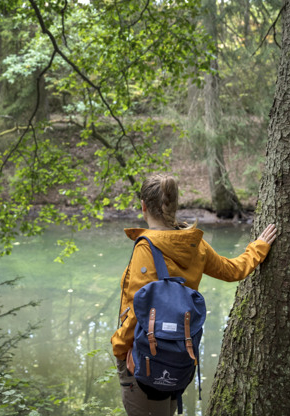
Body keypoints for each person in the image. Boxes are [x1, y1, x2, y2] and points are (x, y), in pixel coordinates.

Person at [111, 174, 278, 416]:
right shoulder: (194, 243)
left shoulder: (145, 248)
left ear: (143, 206)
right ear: (174, 204)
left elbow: (137, 310)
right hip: (180, 351)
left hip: (143, 353)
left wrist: (119, 348)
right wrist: (259, 247)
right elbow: (233, 270)